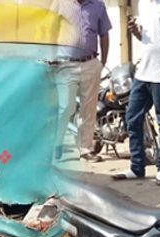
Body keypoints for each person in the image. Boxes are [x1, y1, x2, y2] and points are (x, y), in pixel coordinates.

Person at [112, 0, 160, 186]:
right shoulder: (143, 3)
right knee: (132, 118)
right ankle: (137, 167)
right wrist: (136, 32)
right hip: (142, 73)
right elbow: (147, 38)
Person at [50, 0, 111, 162]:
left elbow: (104, 34)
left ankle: (85, 149)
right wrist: (50, 59)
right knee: (65, 107)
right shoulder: (60, 3)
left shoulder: (98, 5)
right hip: (65, 64)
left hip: (91, 63)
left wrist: (102, 62)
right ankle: (56, 145)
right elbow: (50, 32)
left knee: (88, 110)